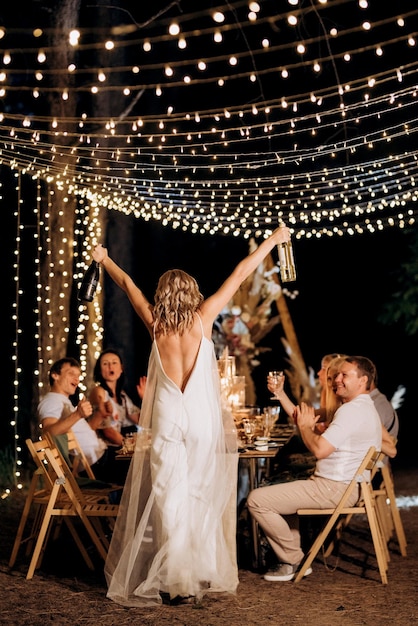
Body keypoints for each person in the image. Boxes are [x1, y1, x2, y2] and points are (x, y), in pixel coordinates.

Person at [91, 224, 291, 606]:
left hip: (169, 417)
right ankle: (197, 572)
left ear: (163, 294)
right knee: (199, 494)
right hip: (200, 419)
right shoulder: (203, 318)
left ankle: (176, 580)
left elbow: (127, 283)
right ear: (192, 292)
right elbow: (242, 271)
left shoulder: (156, 323)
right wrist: (273, 240)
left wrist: (104, 259)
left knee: (170, 498)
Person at [247, 355, 397, 582]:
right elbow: (303, 417)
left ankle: (292, 559)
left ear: (363, 380)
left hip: (334, 488)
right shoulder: (362, 407)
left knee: (257, 500)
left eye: (344, 375)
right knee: (283, 487)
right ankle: (292, 560)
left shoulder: (351, 412)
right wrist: (280, 394)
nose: (337, 379)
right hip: (344, 486)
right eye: (336, 375)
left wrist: (306, 428)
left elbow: (319, 450)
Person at [37, 357, 127, 486]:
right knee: (142, 466)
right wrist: (78, 414)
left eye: (78, 375)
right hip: (96, 465)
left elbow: (85, 432)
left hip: (100, 458)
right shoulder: (51, 401)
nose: (76, 379)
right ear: (55, 375)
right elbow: (49, 432)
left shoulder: (64, 401)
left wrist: (101, 415)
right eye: (71, 374)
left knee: (141, 459)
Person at [90, 349, 146, 447]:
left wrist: (145, 399)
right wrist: (130, 446)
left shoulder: (122, 396)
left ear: (121, 368)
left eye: (114, 363)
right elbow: (107, 431)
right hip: (102, 451)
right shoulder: (98, 391)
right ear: (99, 370)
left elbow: (141, 420)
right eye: (105, 364)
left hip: (116, 448)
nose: (110, 367)